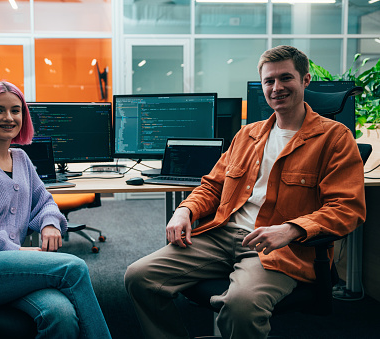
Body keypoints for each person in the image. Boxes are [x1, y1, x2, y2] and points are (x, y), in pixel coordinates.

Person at [124, 45, 366, 339]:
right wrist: (184, 210)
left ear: (305, 80)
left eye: (285, 78)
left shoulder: (334, 138)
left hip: (279, 249)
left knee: (240, 306)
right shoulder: (247, 134)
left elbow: (347, 208)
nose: (276, 87)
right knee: (139, 277)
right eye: (269, 81)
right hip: (222, 235)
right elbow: (213, 185)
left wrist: (290, 229)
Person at [0, 79, 112, 339]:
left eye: (15, 110)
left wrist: (49, 223)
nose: (9, 117)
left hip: (9, 269)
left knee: (60, 315)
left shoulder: (21, 159)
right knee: (73, 267)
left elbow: (44, 201)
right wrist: (10, 248)